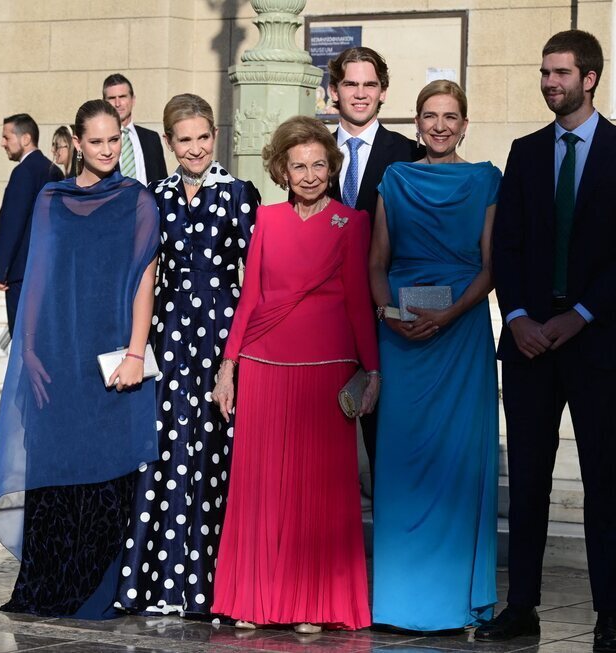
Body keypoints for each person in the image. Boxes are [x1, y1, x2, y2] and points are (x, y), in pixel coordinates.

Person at [476, 31, 616, 652]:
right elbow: (508, 245)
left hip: (596, 344)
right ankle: (521, 606)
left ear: (590, 78)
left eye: (560, 72)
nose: (550, 82)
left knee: (604, 480)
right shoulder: (525, 153)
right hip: (529, 346)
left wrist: (580, 314)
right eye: (544, 72)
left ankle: (609, 614)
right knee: (527, 480)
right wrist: (519, 316)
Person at [0, 99, 161, 619]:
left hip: (111, 357)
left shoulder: (137, 201)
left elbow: (143, 283)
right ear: (76, 143)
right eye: (95, 141)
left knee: (106, 472)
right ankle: (46, 584)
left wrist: (134, 351)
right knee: (53, 467)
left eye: (112, 141)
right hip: (55, 353)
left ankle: (91, 589)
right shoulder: (50, 198)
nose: (105, 150)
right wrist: (29, 348)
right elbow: (37, 276)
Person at [211, 116, 379, 633]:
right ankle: (254, 601)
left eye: (319, 165)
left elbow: (358, 304)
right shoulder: (266, 219)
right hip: (263, 368)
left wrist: (372, 371)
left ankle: (313, 604)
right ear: (282, 170)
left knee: (320, 493)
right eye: (298, 166)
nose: (309, 175)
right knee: (260, 490)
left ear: (332, 167)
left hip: (326, 372)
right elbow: (250, 299)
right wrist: (228, 367)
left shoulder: (352, 224)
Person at [116, 94, 260, 618]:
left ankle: (216, 588)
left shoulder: (240, 193)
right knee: (167, 454)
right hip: (169, 340)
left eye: (203, 137)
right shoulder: (154, 196)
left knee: (217, 453)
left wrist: (240, 354)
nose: (195, 148)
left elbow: (257, 280)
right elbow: (142, 277)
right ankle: (162, 586)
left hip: (223, 342)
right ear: (170, 142)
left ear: (215, 135)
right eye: (184, 139)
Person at [369, 80, 501, 633]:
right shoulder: (394, 178)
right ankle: (397, 599)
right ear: (417, 123)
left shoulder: (486, 179)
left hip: (461, 336)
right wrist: (388, 313)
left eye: (450, 116)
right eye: (430, 115)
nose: (440, 125)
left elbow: (492, 265)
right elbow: (377, 262)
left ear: (465, 124)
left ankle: (452, 597)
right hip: (402, 342)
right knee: (400, 464)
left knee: (458, 462)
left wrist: (447, 316)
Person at [324, 45, 424, 492]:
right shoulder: (312, 151)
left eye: (369, 85)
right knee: (321, 454)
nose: (360, 94)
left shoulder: (410, 154)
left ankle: (389, 556)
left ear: (383, 92)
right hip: (322, 321)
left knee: (388, 450)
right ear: (333, 91)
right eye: (350, 84)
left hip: (385, 323)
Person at [0, 113, 64, 336]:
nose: (3, 143)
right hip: (45, 269)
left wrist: (0, 270)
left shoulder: (23, 172)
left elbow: (13, 222)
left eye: (7, 137)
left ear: (25, 139)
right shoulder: (53, 170)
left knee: (22, 339)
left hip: (21, 274)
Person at [103, 73, 168, 186]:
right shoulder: (98, 140)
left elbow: (162, 180)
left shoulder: (151, 138)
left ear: (133, 100)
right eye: (112, 98)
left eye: (122, 97)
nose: (117, 103)